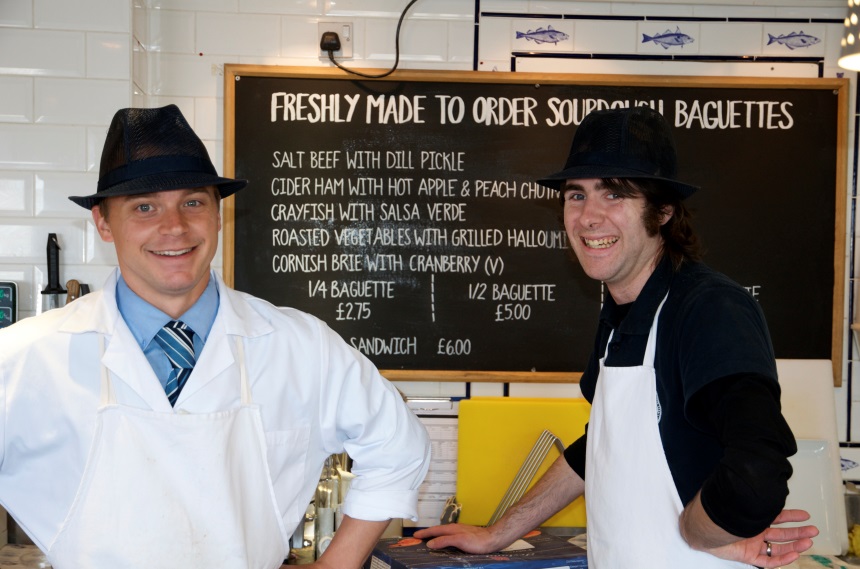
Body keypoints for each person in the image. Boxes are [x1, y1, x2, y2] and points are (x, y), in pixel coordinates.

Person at [0, 104, 431, 569]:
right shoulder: (27, 356)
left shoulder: (301, 346)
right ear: (104, 223)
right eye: (145, 207)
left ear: (218, 215)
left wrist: (337, 563)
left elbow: (398, 448)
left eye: (193, 202)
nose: (175, 227)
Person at [414, 106, 818, 568]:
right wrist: (496, 534)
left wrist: (695, 531)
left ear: (663, 211)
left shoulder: (708, 309)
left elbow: (758, 468)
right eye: (576, 195)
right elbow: (601, 447)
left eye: (614, 194)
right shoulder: (617, 312)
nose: (589, 216)